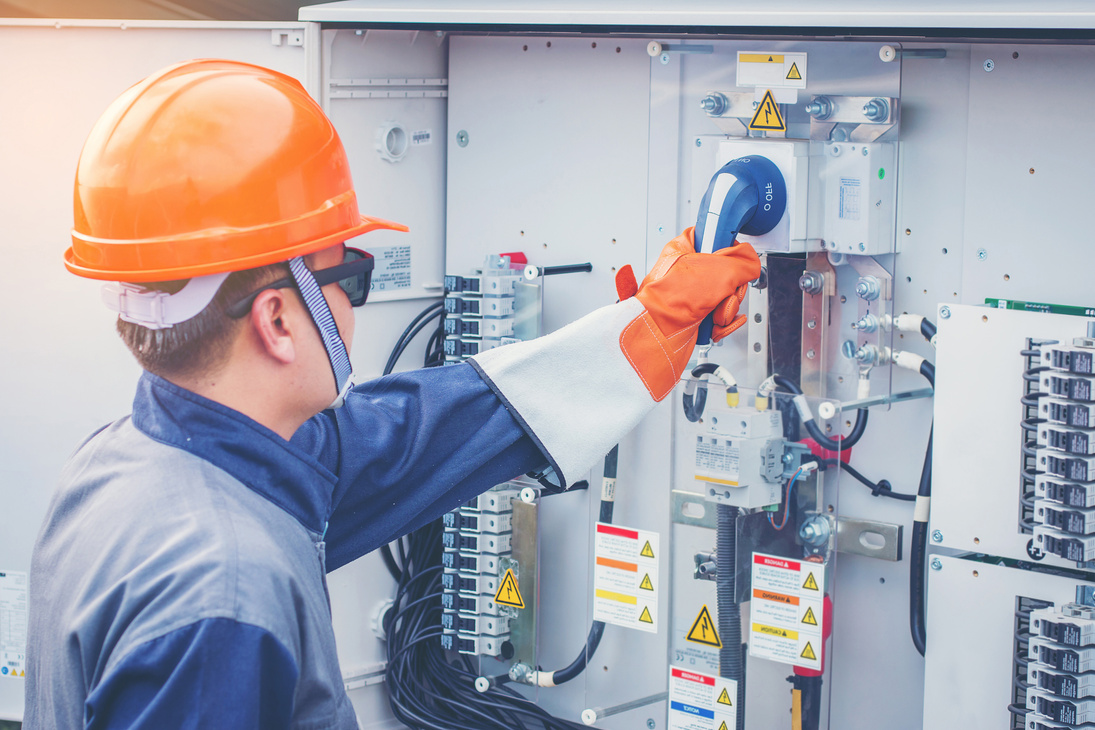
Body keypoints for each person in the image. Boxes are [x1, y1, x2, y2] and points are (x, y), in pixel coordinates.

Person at [24, 59, 760, 729]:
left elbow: (416, 434)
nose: (355, 309)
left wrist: (653, 323)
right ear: (278, 319)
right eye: (352, 279)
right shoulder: (222, 599)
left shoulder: (133, 466)